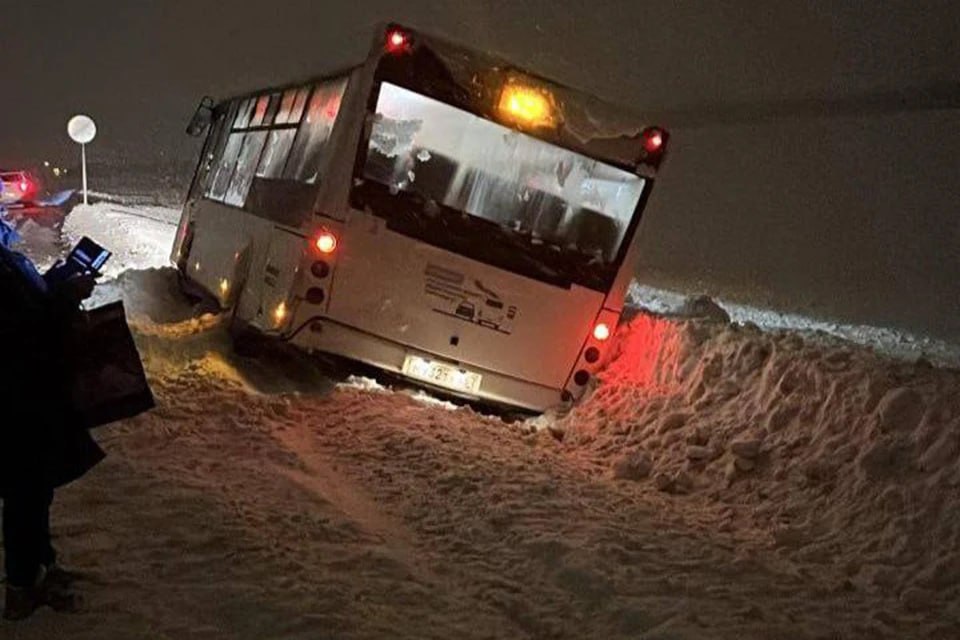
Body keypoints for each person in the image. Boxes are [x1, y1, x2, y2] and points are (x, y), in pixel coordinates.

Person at [0, 184, 105, 621]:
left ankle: (41, 565)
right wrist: (67, 294)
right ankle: (23, 587)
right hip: (13, 397)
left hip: (29, 393)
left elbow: (33, 300)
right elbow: (19, 328)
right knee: (24, 490)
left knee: (35, 488)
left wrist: (59, 280)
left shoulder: (5, 256)